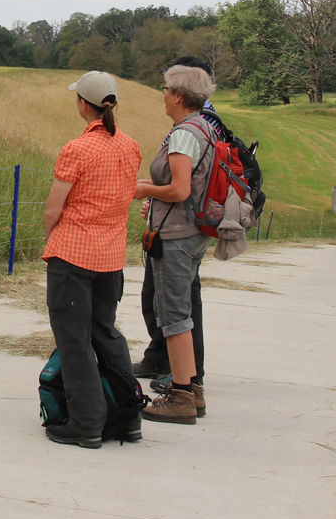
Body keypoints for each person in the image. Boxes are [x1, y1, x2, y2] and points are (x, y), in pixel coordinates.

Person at [41, 70, 142, 449]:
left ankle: (86, 423)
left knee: (74, 341)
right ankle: (129, 415)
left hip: (74, 256)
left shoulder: (77, 149)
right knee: (107, 334)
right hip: (111, 258)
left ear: (83, 104)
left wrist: (52, 235)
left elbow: (54, 208)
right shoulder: (130, 146)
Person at [132, 54, 219, 410]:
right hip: (192, 233)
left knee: (174, 316)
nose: (163, 94)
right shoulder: (205, 127)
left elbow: (180, 189)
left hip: (176, 237)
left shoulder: (184, 134)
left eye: (167, 89)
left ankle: (181, 394)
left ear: (180, 96)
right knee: (179, 310)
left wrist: (146, 189)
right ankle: (191, 391)